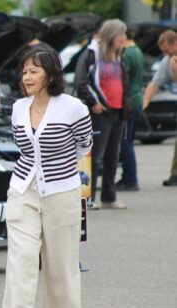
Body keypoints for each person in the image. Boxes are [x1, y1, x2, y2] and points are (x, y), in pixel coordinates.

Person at [2, 46, 92, 308]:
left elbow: (84, 145)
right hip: (22, 188)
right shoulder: (18, 107)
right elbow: (24, 150)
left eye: (33, 71)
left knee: (59, 264)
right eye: (24, 71)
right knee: (21, 258)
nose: (26, 77)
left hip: (61, 192)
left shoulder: (74, 108)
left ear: (51, 74)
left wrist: (59, 169)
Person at [74, 19, 129, 209]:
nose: (125, 38)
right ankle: (89, 198)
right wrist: (94, 103)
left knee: (113, 157)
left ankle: (109, 197)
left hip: (118, 111)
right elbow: (81, 81)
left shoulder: (120, 56)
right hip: (100, 113)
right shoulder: (92, 53)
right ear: (112, 35)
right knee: (95, 157)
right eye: (122, 34)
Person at [142, 29, 177, 187]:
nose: (164, 54)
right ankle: (175, 175)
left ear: (175, 44)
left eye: (166, 50)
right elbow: (154, 83)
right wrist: (146, 102)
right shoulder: (168, 60)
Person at [117, 27, 144, 191]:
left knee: (125, 141)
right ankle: (129, 176)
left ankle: (130, 178)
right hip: (137, 99)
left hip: (129, 102)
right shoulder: (138, 51)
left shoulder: (127, 54)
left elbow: (122, 80)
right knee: (129, 140)